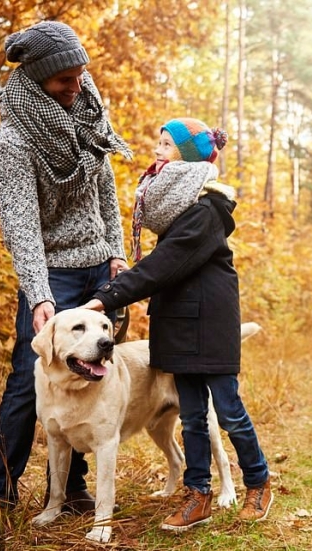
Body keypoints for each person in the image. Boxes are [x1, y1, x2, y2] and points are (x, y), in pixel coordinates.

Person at [0, 20, 132, 537]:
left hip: (98, 269)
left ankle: (69, 490)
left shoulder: (88, 114)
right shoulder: (15, 140)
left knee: (93, 374)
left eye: (80, 74)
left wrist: (116, 253)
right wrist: (39, 294)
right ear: (39, 78)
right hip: (53, 275)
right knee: (30, 376)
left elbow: (105, 191)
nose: (77, 85)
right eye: (64, 79)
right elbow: (20, 225)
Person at [82, 117, 273, 531]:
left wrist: (105, 298)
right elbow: (162, 270)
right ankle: (198, 495)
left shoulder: (205, 211)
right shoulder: (179, 208)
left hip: (211, 326)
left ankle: (258, 483)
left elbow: (161, 267)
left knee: (229, 412)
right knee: (190, 419)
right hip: (178, 325)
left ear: (186, 156)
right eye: (159, 142)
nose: (158, 149)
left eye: (167, 145)